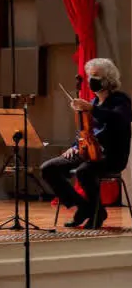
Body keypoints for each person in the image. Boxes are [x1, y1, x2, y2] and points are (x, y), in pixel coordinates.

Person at [41, 58, 131, 229]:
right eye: (90, 76)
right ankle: (86, 207)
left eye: (95, 76)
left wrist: (92, 109)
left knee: (84, 171)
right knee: (48, 168)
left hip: (112, 156)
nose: (91, 80)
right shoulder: (94, 102)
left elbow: (120, 119)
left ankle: (96, 214)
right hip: (88, 152)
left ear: (108, 79)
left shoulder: (121, 100)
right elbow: (86, 131)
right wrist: (75, 146)